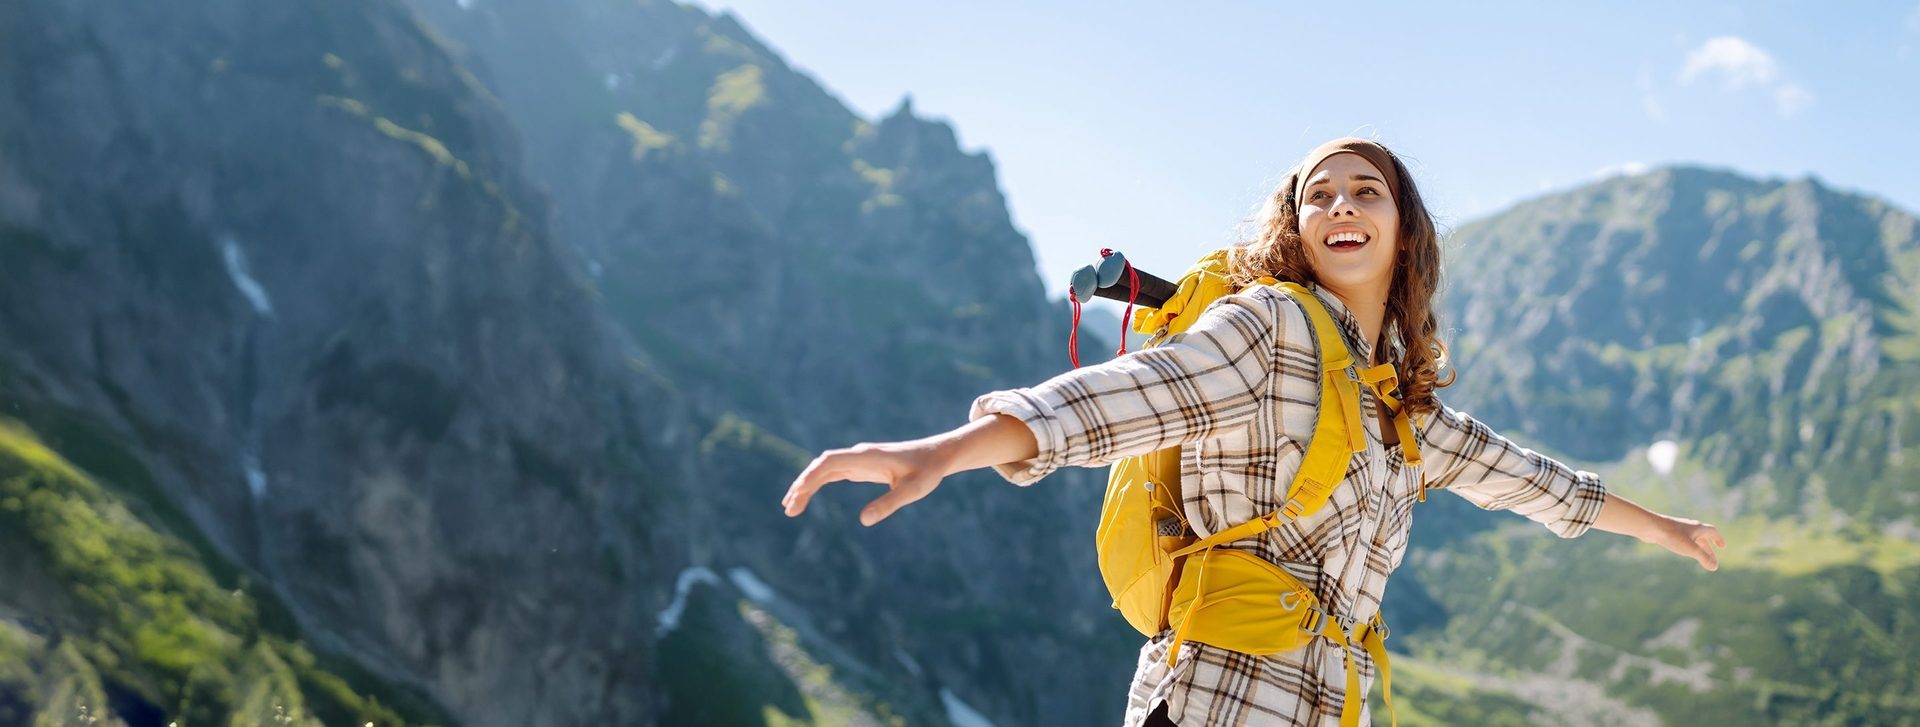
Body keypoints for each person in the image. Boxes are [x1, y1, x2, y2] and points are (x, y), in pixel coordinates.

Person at [780, 137, 1727, 727]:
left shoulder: (1407, 411)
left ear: (1406, 235)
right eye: (1319, 194)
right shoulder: (1266, 326)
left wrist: (1672, 532)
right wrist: (942, 450)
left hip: (1334, 703)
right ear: (1297, 226)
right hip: (1219, 695)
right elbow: (1122, 397)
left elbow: (1539, 483)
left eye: (1367, 191)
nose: (1341, 205)